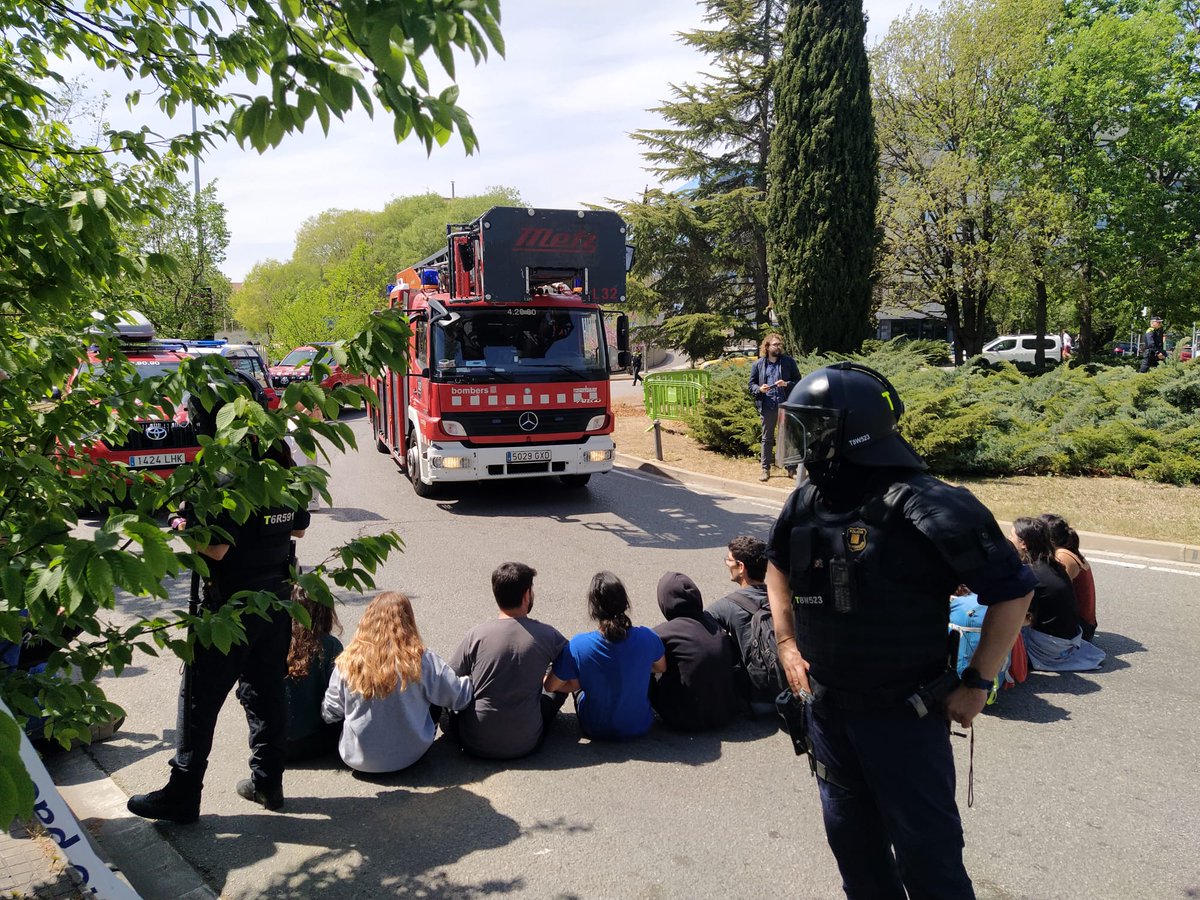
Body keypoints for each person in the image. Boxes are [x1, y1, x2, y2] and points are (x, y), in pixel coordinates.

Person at [764, 361, 1036, 899]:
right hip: (829, 716)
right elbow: (777, 565)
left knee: (930, 864)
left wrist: (978, 683)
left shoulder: (929, 504)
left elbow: (1014, 589)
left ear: (852, 432)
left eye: (813, 428)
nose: (803, 442)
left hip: (903, 721)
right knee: (857, 859)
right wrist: (787, 642)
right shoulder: (807, 501)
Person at [127, 430, 311, 823]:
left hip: (228, 611)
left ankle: (182, 794)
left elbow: (217, 549)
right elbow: (297, 529)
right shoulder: (286, 480)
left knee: (197, 699)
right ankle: (268, 782)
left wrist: (182, 526)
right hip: (275, 602)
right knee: (266, 693)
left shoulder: (229, 484)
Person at [321, 592, 473, 774]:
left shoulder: (347, 661)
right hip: (412, 756)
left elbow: (329, 713)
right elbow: (460, 698)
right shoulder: (422, 659)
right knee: (435, 698)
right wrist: (473, 678)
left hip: (357, 759)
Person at [447, 562, 570, 759]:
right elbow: (573, 673)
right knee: (556, 686)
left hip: (474, 741)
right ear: (526, 595)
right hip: (526, 742)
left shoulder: (476, 635)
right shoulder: (548, 635)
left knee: (461, 690)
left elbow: (448, 677)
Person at [546, 572, 666, 740]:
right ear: (625, 603)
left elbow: (551, 686)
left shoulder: (578, 645)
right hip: (640, 725)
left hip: (594, 728)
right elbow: (661, 667)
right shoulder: (648, 637)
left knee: (574, 675)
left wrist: (575, 682)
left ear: (594, 608)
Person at [648, 572, 741, 731]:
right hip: (726, 712)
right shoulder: (713, 624)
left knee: (651, 666)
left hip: (687, 719)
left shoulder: (663, 633)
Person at [1011, 518, 1104, 672]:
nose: (1009, 539)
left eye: (1012, 536)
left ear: (1023, 544)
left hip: (1052, 646)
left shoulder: (1032, 573)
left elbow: (1023, 616)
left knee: (1001, 625)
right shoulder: (1053, 564)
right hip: (1072, 638)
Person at [705, 536, 776, 715]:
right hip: (791, 690)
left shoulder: (727, 606)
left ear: (741, 567)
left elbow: (699, 636)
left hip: (758, 700)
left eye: (728, 560)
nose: (727, 564)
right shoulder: (781, 598)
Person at [284, 584, 343, 761]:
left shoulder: (276, 641)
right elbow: (338, 698)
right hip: (316, 741)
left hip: (274, 743)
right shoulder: (330, 645)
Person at [748, 333, 801, 482]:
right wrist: (759, 389)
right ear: (767, 346)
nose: (778, 347)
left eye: (780, 345)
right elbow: (751, 385)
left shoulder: (788, 362)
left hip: (785, 405)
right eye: (775, 345)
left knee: (788, 438)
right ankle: (765, 469)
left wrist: (786, 384)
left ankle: (791, 469)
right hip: (767, 406)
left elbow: (798, 380)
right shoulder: (758, 364)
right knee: (767, 439)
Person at [1039, 513, 1097, 641]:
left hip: (1081, 629)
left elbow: (1056, 597)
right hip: (1084, 624)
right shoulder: (1068, 551)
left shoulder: (1063, 558)